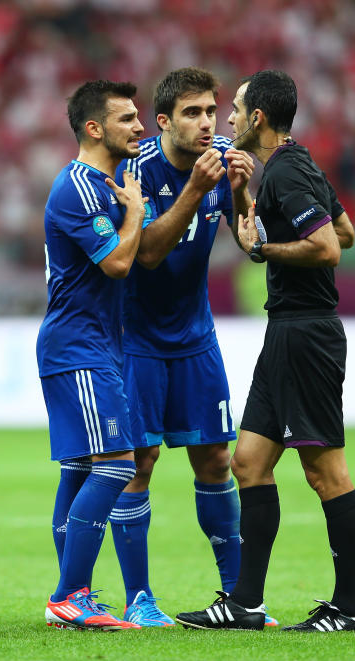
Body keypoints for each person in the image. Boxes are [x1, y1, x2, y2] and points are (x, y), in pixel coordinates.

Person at [175, 70, 355, 633]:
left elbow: (329, 247)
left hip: (306, 335)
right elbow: (347, 229)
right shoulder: (296, 165)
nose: (226, 119)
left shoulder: (285, 171)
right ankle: (245, 604)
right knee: (249, 463)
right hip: (288, 332)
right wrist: (241, 194)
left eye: (234, 109)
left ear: (257, 117)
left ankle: (349, 609)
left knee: (326, 473)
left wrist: (265, 249)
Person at [106, 67, 268, 628]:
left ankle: (237, 598)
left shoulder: (222, 158)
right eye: (192, 113)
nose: (207, 123)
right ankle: (139, 599)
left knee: (216, 459)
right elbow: (146, 253)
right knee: (139, 463)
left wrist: (244, 192)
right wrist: (198, 188)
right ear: (163, 121)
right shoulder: (134, 171)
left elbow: (247, 227)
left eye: (211, 111)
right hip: (137, 340)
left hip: (196, 336)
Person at [38, 80, 146, 631]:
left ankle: (71, 598)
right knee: (117, 464)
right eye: (128, 118)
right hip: (77, 346)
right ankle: (69, 593)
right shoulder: (79, 185)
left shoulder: (103, 183)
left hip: (95, 343)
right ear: (94, 128)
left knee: (81, 469)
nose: (140, 126)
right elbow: (117, 263)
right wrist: (137, 215)